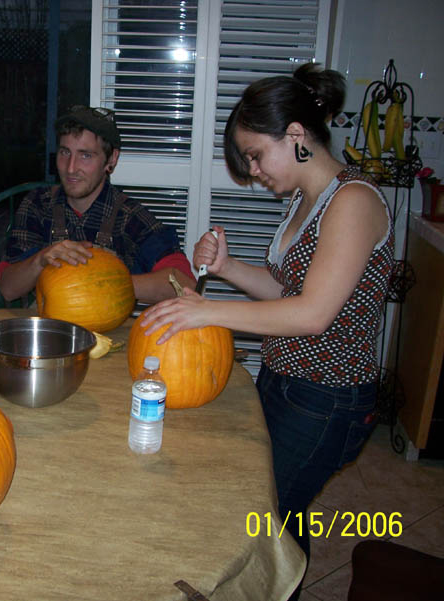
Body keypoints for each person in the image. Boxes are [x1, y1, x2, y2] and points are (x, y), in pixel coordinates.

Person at [137, 63, 394, 587]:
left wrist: (206, 310)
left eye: (255, 154)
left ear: (296, 135)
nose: (254, 171)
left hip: (329, 397)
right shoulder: (306, 200)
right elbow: (289, 294)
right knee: (276, 511)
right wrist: (229, 268)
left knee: (272, 522)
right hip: (284, 380)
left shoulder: (354, 202)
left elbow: (312, 314)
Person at [0, 105, 196, 304]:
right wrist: (41, 259)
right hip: (49, 328)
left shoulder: (130, 217)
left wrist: (105, 282)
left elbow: (185, 286)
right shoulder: (38, 205)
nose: (71, 168)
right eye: (65, 152)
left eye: (85, 155)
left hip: (107, 331)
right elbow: (8, 288)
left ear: (111, 159)